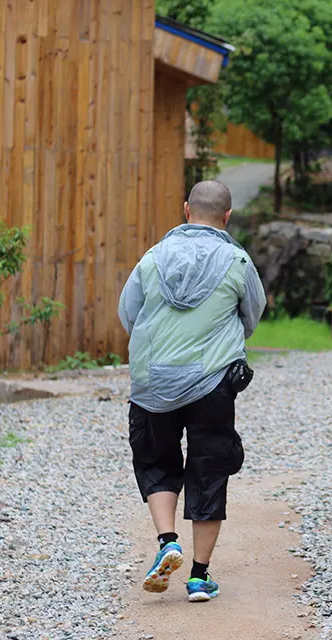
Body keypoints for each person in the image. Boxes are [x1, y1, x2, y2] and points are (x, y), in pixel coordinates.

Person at [118, 180, 266, 603]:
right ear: (227, 216)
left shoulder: (152, 258)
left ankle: (168, 541)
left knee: (156, 460)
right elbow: (251, 315)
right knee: (209, 469)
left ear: (186, 209)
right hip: (211, 384)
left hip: (152, 385)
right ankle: (199, 577)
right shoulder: (237, 260)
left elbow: (129, 313)